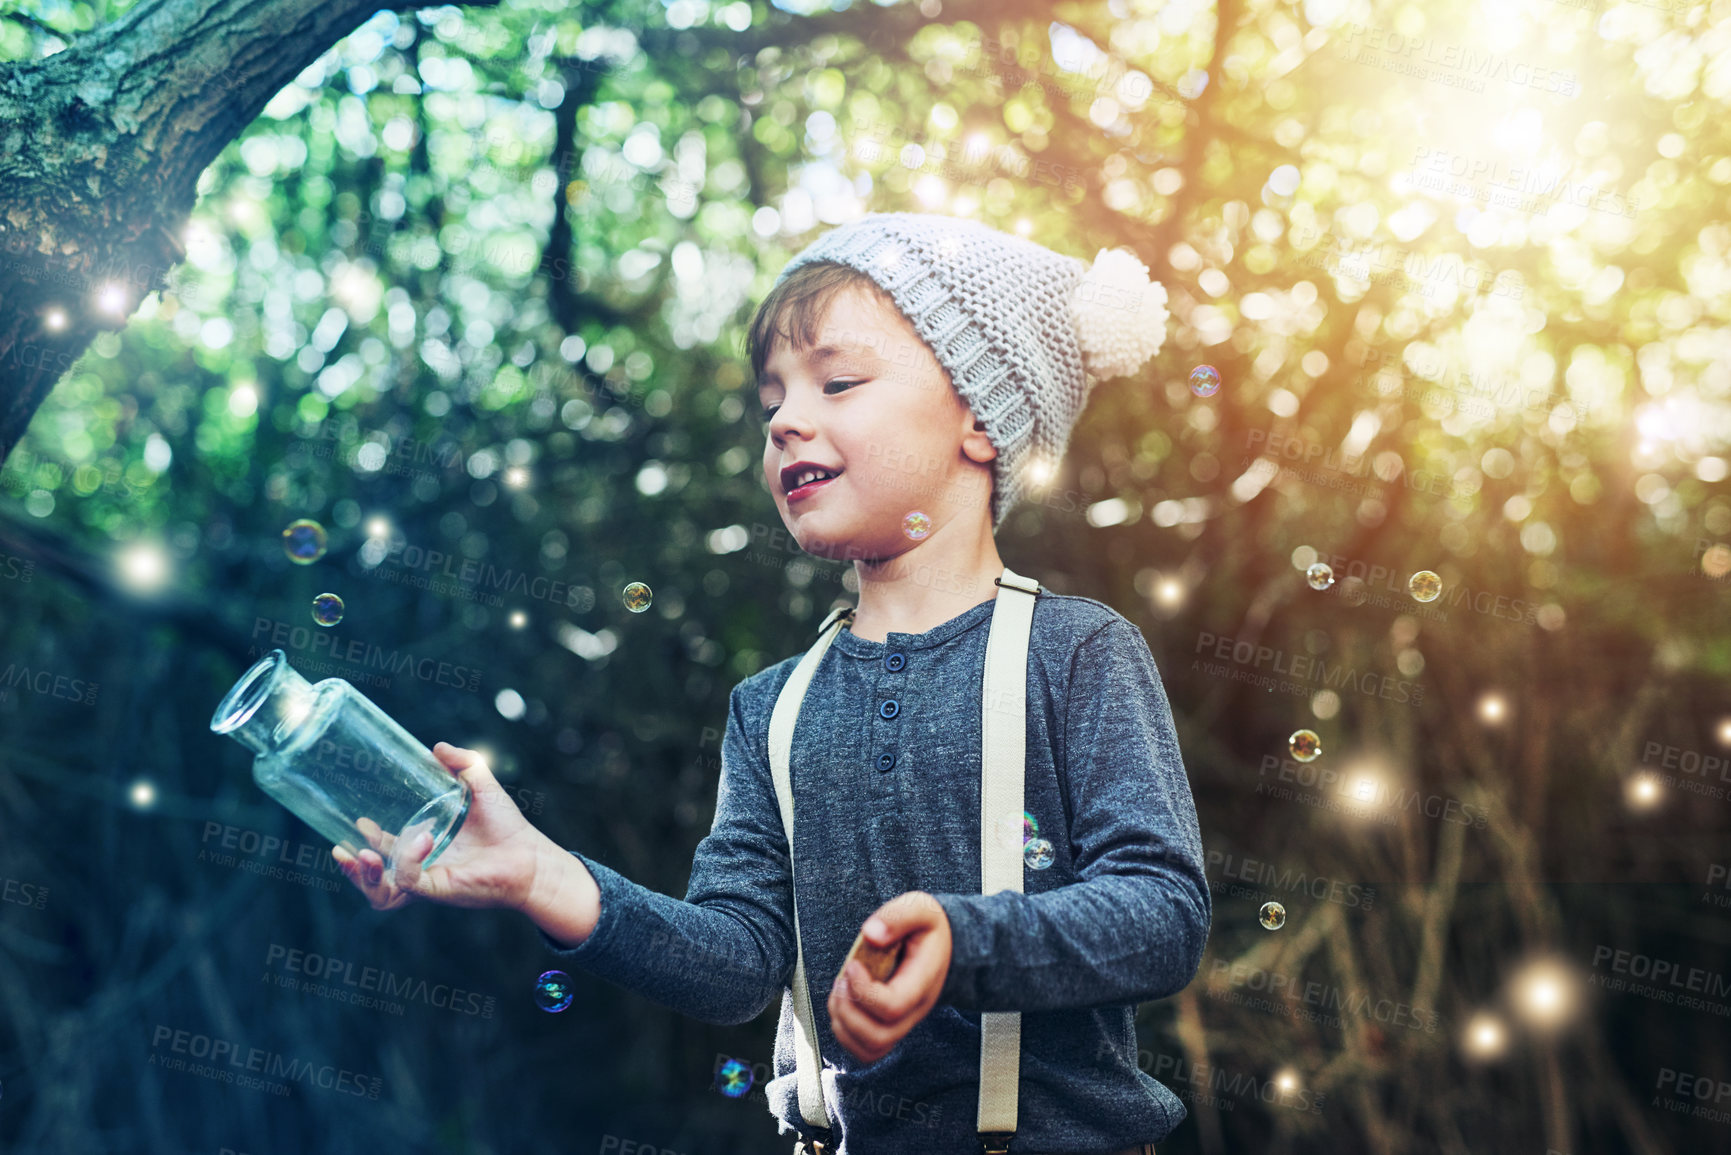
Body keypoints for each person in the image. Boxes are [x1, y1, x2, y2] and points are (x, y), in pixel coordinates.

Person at [334, 212, 1209, 1155]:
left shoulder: (1076, 654)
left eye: (837, 382)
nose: (788, 419)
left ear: (981, 421)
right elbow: (739, 965)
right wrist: (545, 873)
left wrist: (964, 940)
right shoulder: (771, 708)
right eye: (772, 403)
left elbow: (1162, 914)